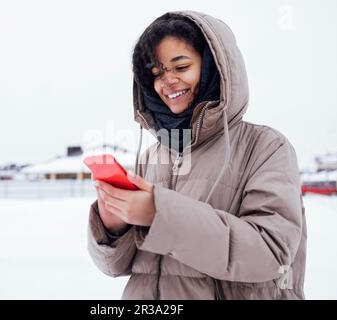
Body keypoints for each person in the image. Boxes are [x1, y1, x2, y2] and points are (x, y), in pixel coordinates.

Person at [87, 10, 307, 300]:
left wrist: (159, 213)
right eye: (157, 72)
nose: (167, 81)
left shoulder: (266, 147)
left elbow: (272, 253)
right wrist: (114, 227)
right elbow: (114, 267)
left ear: (214, 68)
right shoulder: (152, 156)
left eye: (181, 66)